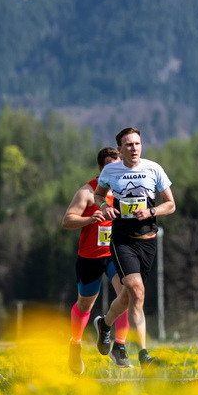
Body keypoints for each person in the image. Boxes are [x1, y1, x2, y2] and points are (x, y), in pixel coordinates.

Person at [91, 127, 175, 368]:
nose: (134, 148)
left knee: (128, 296)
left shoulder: (154, 169)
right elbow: (99, 196)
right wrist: (104, 208)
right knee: (137, 292)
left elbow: (171, 204)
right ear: (120, 149)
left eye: (137, 144)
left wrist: (151, 211)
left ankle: (104, 324)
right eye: (128, 145)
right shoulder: (110, 170)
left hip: (148, 239)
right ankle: (144, 354)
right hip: (122, 240)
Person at [61, 146, 132, 372]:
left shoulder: (125, 190)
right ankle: (76, 346)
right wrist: (90, 219)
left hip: (115, 254)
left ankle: (118, 346)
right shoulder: (87, 192)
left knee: (128, 294)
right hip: (90, 257)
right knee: (85, 305)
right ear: (101, 169)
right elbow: (67, 221)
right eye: (110, 167)